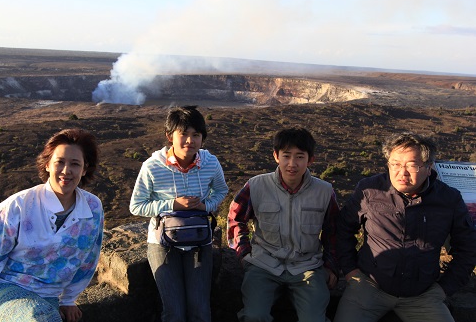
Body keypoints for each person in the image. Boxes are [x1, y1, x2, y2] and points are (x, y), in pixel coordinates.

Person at [0, 128, 104, 322]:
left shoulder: (92, 208)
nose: (66, 171)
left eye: (75, 164)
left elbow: (89, 258)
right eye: (60, 162)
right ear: (47, 164)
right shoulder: (19, 206)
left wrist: (69, 299)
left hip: (48, 297)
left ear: (85, 168)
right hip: (3, 290)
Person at [334, 132, 476, 322]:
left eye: (411, 165)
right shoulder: (370, 190)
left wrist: (444, 288)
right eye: (395, 164)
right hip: (369, 287)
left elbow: (468, 247)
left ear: (428, 167)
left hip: (423, 295)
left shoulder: (449, 199)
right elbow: (343, 228)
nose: (402, 172)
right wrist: (351, 271)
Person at [228, 127, 339, 322]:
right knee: (254, 316)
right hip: (264, 264)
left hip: (307, 266)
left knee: (314, 319)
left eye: (299, 157)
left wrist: (330, 266)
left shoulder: (324, 191)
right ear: (276, 156)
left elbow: (334, 231)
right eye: (286, 156)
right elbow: (235, 219)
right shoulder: (256, 185)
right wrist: (244, 254)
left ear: (310, 159)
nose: (292, 164)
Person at [129, 105, 228, 322]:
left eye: (196, 135)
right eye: (183, 134)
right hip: (162, 243)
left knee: (200, 311)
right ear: (169, 136)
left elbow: (221, 190)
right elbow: (136, 206)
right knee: (173, 312)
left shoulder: (210, 163)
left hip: (200, 241)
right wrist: (172, 205)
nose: (189, 141)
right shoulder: (152, 166)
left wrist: (206, 206)